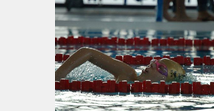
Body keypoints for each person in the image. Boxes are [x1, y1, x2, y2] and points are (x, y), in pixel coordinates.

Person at [55, 47, 186, 83]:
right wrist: (58, 75)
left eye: (160, 68)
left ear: (166, 79)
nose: (151, 65)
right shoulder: (128, 74)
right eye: (153, 62)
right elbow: (88, 52)